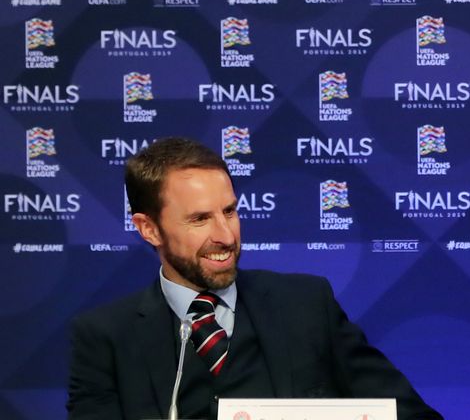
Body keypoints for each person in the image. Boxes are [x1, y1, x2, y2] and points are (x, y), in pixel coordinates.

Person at [67, 137, 443, 420]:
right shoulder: (105, 337)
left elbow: (408, 415)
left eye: (229, 211)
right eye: (200, 219)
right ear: (148, 229)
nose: (226, 236)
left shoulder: (307, 305)